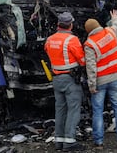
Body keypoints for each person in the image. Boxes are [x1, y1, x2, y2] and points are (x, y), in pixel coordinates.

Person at [84, 10, 117, 149]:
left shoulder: (90, 43)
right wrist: (114, 18)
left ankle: (99, 142)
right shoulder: (110, 32)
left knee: (97, 111)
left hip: (100, 81)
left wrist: (91, 85)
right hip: (115, 77)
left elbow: (91, 67)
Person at [44, 12, 87, 152]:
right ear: (71, 25)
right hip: (70, 79)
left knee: (60, 110)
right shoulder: (72, 40)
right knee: (73, 110)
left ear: (58, 24)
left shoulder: (49, 40)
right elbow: (82, 60)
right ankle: (69, 142)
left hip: (56, 79)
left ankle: (59, 141)